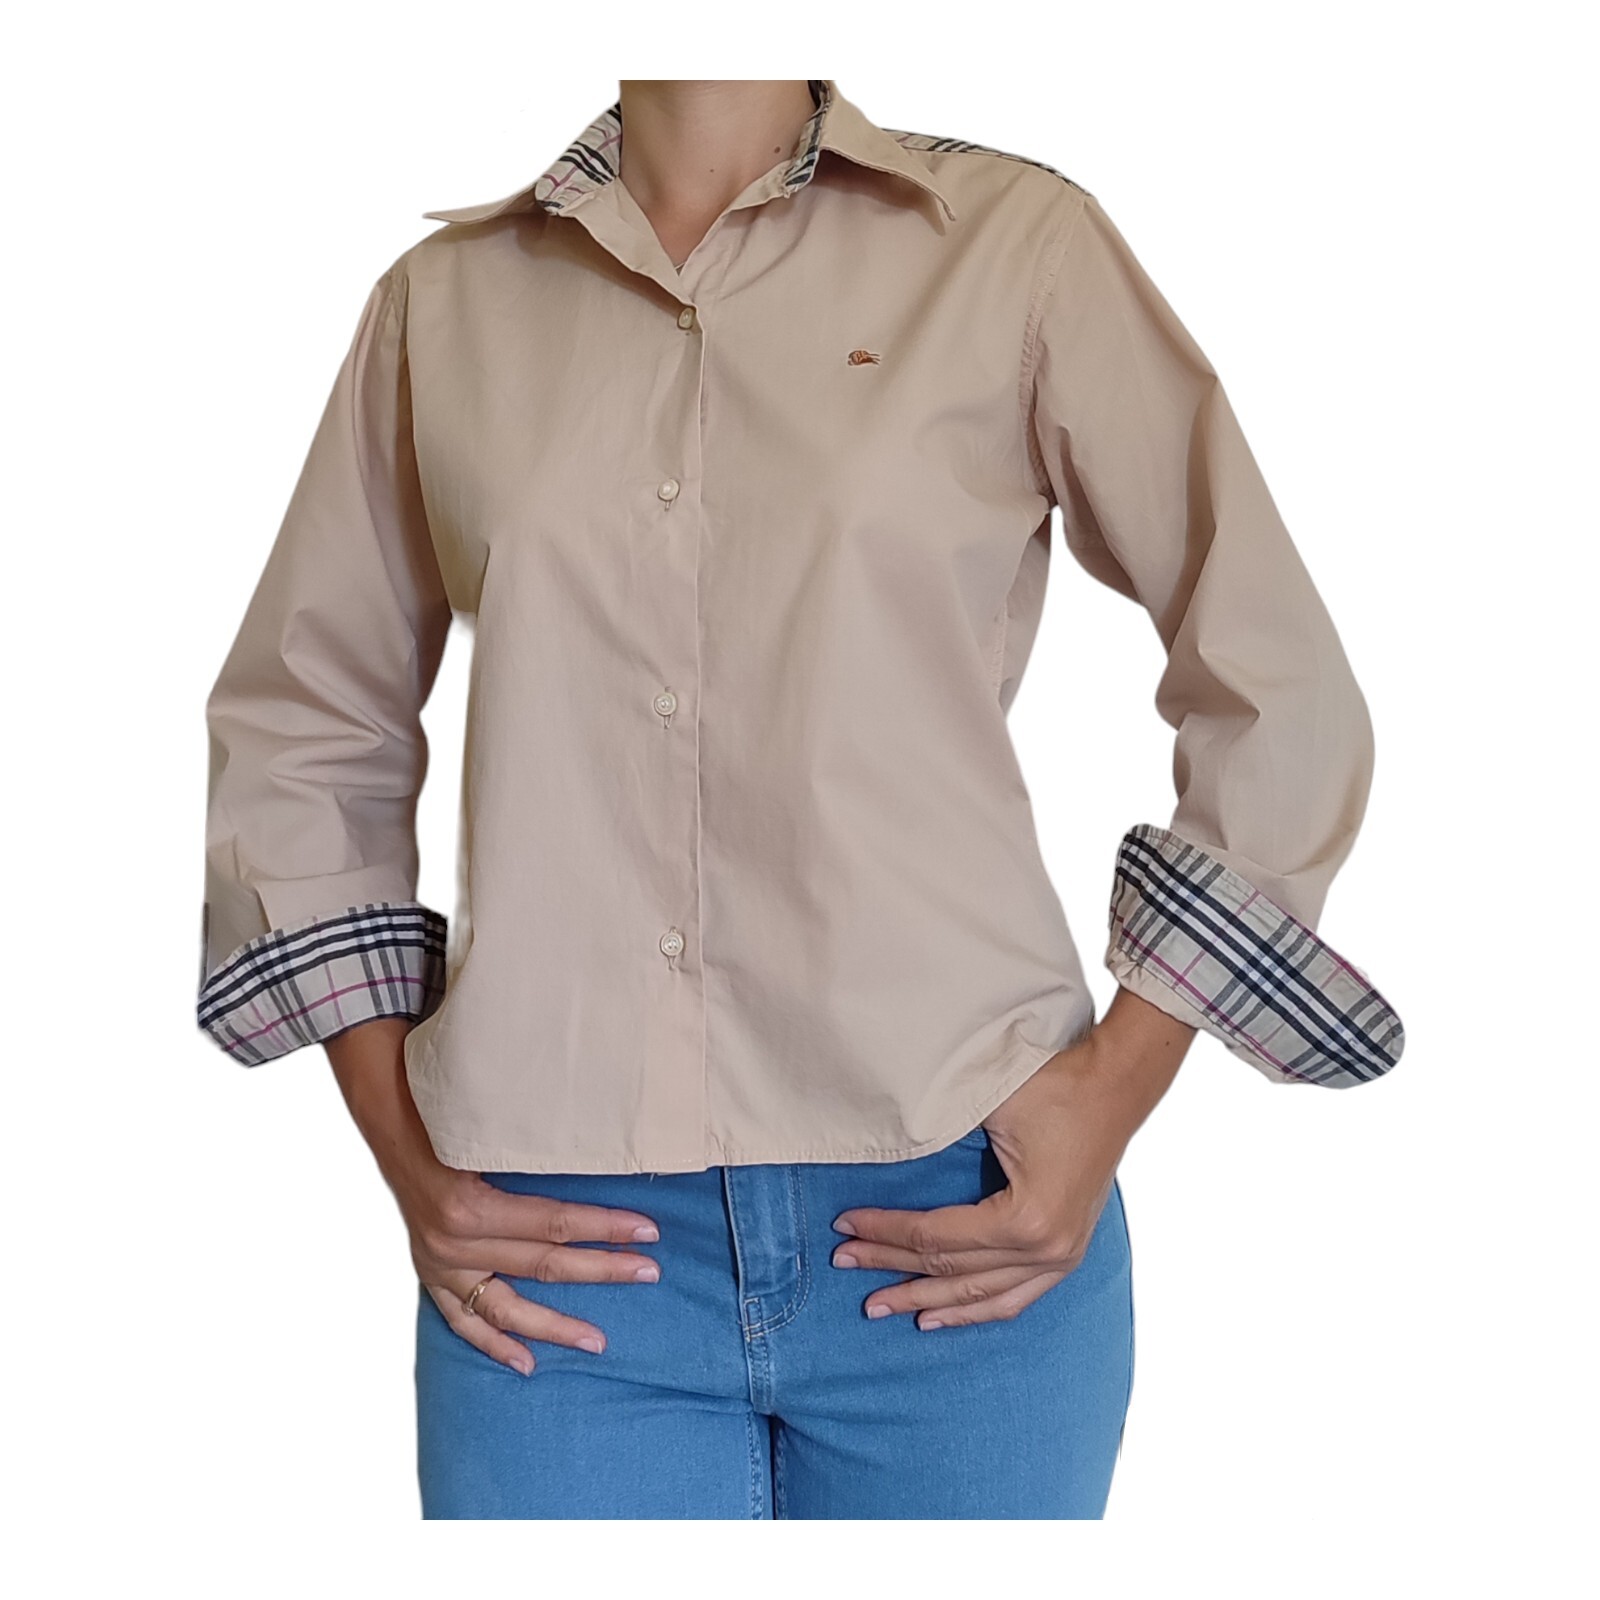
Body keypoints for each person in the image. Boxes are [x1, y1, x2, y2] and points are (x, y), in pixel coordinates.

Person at [194, 78, 1405, 1520]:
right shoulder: (443, 304)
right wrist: (400, 1145)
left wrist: (1116, 1090)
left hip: (960, 1210)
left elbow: (1277, 680)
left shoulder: (1015, 248)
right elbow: (305, 721)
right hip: (552, 1254)